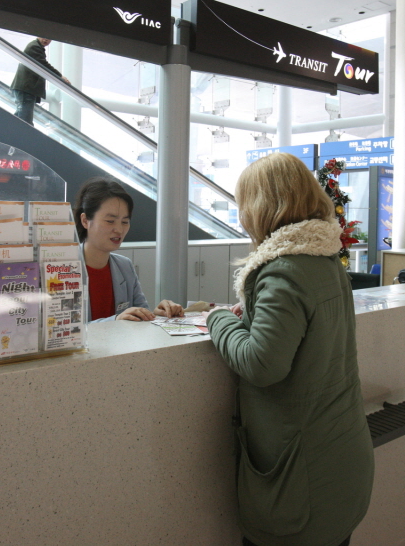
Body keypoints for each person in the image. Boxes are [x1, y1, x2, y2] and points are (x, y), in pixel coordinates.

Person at [205, 152, 374, 546]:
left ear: (264, 207)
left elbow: (261, 363)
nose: (243, 217)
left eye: (244, 206)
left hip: (302, 476)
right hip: (340, 458)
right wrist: (251, 316)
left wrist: (219, 319)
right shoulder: (326, 259)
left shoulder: (284, 270)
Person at [73, 176, 184, 322]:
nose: (119, 229)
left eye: (125, 222)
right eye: (110, 221)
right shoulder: (62, 268)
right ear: (85, 221)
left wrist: (157, 314)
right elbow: (61, 330)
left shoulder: (124, 266)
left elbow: (139, 316)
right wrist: (115, 320)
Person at [11, 37, 70, 124]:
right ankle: (25, 135)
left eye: (49, 39)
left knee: (21, 114)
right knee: (25, 119)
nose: (46, 40)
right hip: (26, 88)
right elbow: (44, 65)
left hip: (26, 88)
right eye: (44, 37)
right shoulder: (34, 47)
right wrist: (60, 76)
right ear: (38, 36)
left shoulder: (36, 46)